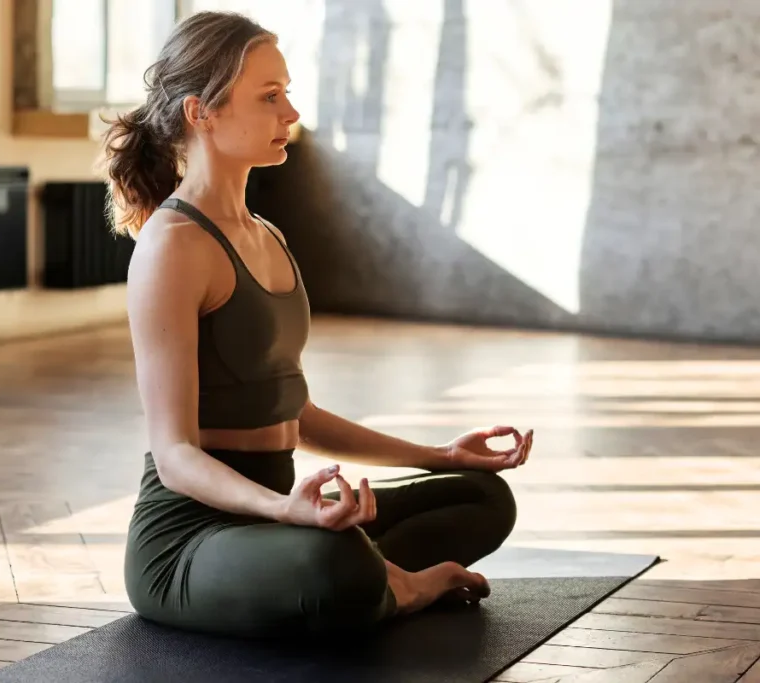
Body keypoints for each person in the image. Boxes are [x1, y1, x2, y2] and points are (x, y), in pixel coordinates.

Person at [100, 10, 534, 640]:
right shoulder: (172, 246)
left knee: (480, 496)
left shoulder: (266, 236)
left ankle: (367, 575)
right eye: (270, 96)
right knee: (334, 562)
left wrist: (441, 454)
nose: (291, 113)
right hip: (190, 542)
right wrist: (284, 509)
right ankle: (396, 586)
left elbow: (292, 414)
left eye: (287, 93)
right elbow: (174, 456)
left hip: (278, 519)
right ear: (202, 113)